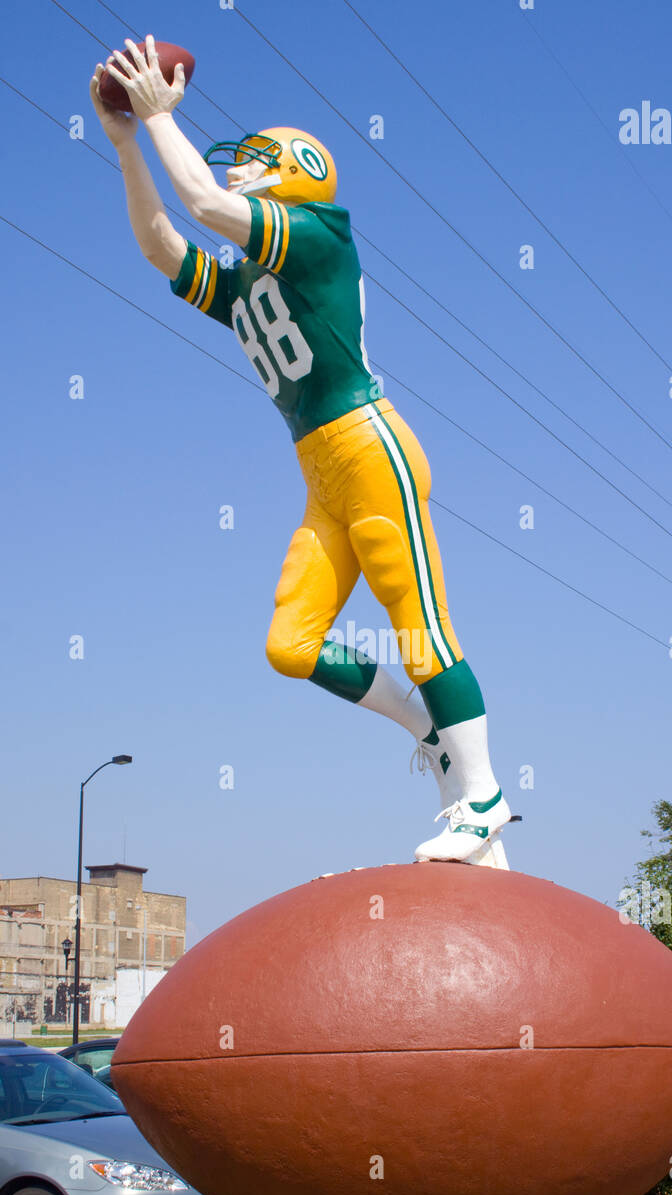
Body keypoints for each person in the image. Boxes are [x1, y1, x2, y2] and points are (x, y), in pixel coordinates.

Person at [89, 36, 511, 863]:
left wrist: (162, 116)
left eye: (251, 163)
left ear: (288, 172)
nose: (235, 170)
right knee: (292, 645)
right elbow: (160, 244)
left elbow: (206, 202)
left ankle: (486, 792)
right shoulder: (248, 281)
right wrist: (127, 144)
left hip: (369, 442)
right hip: (319, 469)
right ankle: (428, 730)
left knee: (419, 628)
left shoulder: (318, 234)